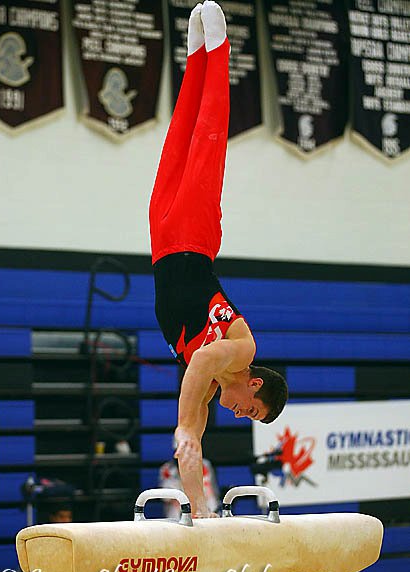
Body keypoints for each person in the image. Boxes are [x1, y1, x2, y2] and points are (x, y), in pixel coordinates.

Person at [149, 1, 288, 517]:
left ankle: (194, 57)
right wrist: (185, 427)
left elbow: (191, 447)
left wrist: (199, 509)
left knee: (178, 138)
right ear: (254, 384)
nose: (241, 413)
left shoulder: (207, 392)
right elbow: (202, 359)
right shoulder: (241, 350)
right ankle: (220, 49)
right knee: (208, 139)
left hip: (162, 241)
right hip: (195, 237)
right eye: (252, 409)